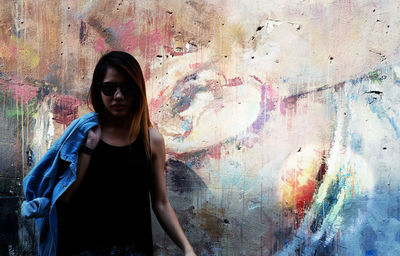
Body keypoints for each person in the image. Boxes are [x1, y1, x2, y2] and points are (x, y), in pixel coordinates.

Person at [21, 51, 196, 256]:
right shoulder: (83, 134)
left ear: (138, 91)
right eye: (109, 88)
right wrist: (87, 150)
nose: (118, 96)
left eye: (127, 88)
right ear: (98, 91)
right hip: (81, 248)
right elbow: (65, 198)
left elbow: (161, 202)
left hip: (133, 249)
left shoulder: (152, 140)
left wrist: (187, 248)